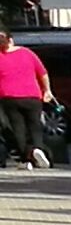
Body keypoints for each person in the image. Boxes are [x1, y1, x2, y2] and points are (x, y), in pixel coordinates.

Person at [0, 37, 49, 169]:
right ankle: (38, 149)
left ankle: (26, 159)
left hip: (9, 97)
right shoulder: (27, 52)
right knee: (35, 126)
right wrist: (47, 90)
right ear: (11, 40)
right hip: (33, 96)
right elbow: (42, 72)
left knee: (18, 130)